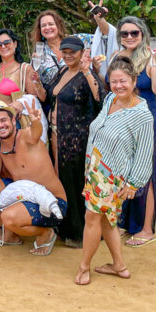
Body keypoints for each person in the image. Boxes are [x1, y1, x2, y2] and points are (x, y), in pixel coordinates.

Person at [76, 58, 155, 285]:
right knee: (107, 221)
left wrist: (133, 184)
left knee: (92, 218)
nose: (118, 86)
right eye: (113, 81)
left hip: (112, 176)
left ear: (134, 80)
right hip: (95, 169)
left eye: (123, 81)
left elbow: (144, 152)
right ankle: (119, 266)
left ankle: (83, 268)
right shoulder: (110, 99)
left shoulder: (142, 115)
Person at [92, 14, 156, 246]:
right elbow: (110, 86)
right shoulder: (116, 55)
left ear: (142, 34)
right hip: (120, 119)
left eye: (134, 33)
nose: (129, 37)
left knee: (145, 172)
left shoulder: (151, 58)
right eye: (124, 33)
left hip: (146, 120)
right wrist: (96, 70)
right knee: (122, 171)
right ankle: (127, 223)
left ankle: (146, 228)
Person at [0, 100, 66, 255]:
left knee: (9, 217)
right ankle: (10, 234)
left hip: (51, 201)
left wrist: (35, 121)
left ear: (13, 120)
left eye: (3, 120)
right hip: (23, 194)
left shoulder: (27, 136)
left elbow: (36, 132)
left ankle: (46, 233)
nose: (0, 125)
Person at [44, 35, 104, 248]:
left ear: (81, 53)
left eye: (73, 52)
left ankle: (79, 232)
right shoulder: (62, 71)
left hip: (76, 139)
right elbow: (48, 96)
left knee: (75, 181)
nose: (68, 55)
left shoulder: (86, 74)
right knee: (61, 179)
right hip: (56, 136)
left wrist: (88, 70)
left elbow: (100, 99)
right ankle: (65, 226)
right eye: (65, 51)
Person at [29, 9, 71, 87]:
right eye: (43, 25)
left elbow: (98, 38)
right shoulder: (39, 52)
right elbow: (34, 81)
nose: (47, 28)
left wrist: (99, 18)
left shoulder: (73, 42)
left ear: (58, 25)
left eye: (51, 24)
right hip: (53, 96)